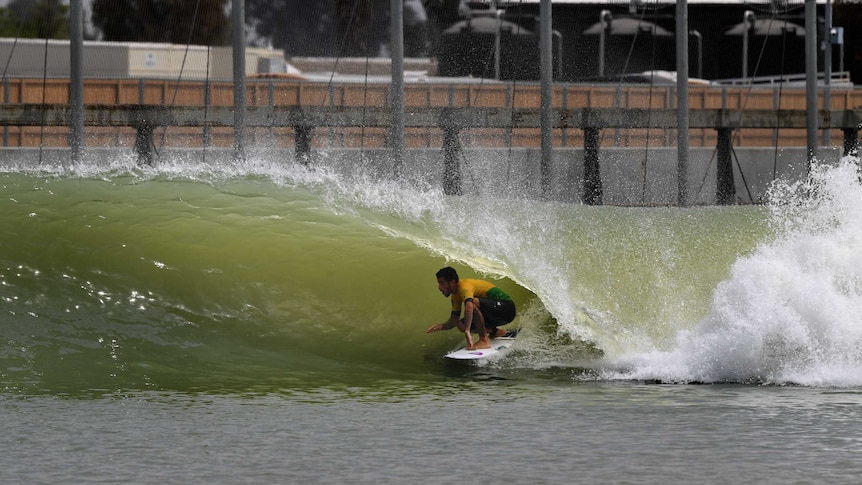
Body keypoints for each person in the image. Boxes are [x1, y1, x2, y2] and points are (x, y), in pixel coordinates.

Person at [426, 266, 516, 350]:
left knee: (472, 303)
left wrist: (467, 331)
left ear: (452, 282)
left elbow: (469, 307)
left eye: (442, 283)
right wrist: (441, 326)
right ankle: (497, 332)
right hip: (495, 314)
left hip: (507, 309)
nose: (439, 287)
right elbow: (454, 320)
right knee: (461, 324)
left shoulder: (465, 287)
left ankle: (484, 340)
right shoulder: (455, 295)